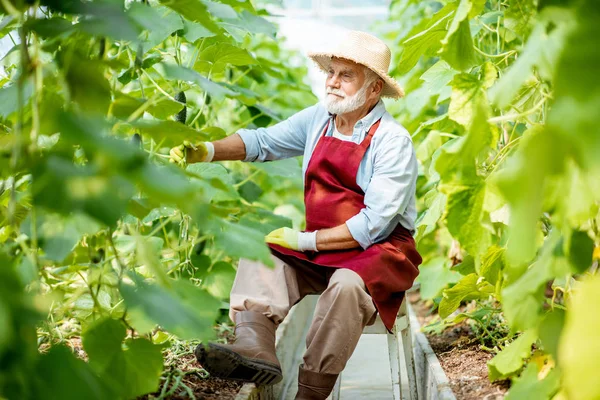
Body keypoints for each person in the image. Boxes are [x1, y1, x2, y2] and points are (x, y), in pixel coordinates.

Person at [170, 30, 422, 400]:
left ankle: (310, 391)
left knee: (347, 286)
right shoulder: (320, 119)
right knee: (262, 249)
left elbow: (373, 226)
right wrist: (205, 151)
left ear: (373, 91)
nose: (333, 82)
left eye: (346, 75)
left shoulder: (392, 141)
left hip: (379, 251)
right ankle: (254, 349)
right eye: (331, 73)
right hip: (327, 244)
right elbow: (263, 142)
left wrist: (303, 241)